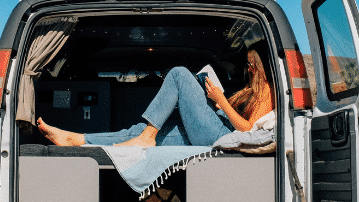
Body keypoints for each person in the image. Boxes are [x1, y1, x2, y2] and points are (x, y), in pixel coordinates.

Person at [38, 49, 275, 147]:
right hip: (216, 127)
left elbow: (247, 131)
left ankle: (147, 138)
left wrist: (222, 100)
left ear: (260, 67)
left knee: (179, 74)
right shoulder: (253, 89)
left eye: (251, 64)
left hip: (223, 134)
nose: (248, 69)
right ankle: (76, 139)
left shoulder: (267, 92)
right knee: (139, 129)